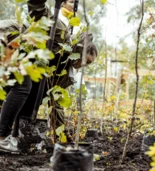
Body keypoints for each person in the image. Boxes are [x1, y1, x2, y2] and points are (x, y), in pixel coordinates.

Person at [0, 0, 97, 153]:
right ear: (79, 50)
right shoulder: (61, 32)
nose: (83, 65)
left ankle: (14, 137)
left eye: (88, 64)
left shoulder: (62, 67)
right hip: (9, 41)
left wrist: (62, 135)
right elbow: (37, 10)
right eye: (85, 60)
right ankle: (2, 137)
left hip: (18, 52)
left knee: (28, 91)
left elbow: (55, 102)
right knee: (22, 87)